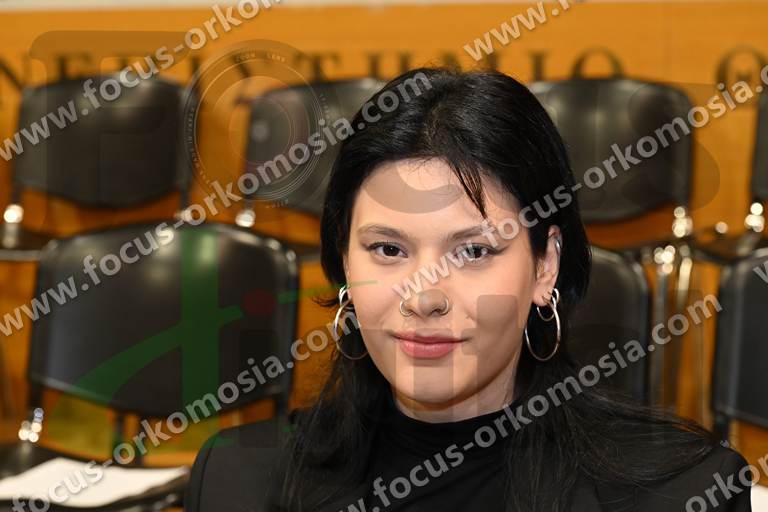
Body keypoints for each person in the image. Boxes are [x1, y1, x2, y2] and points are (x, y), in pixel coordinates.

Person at [184, 67, 753, 511]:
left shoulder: (684, 491)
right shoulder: (236, 482)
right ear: (343, 260)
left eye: (474, 251)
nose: (424, 297)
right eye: (388, 249)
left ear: (545, 265)